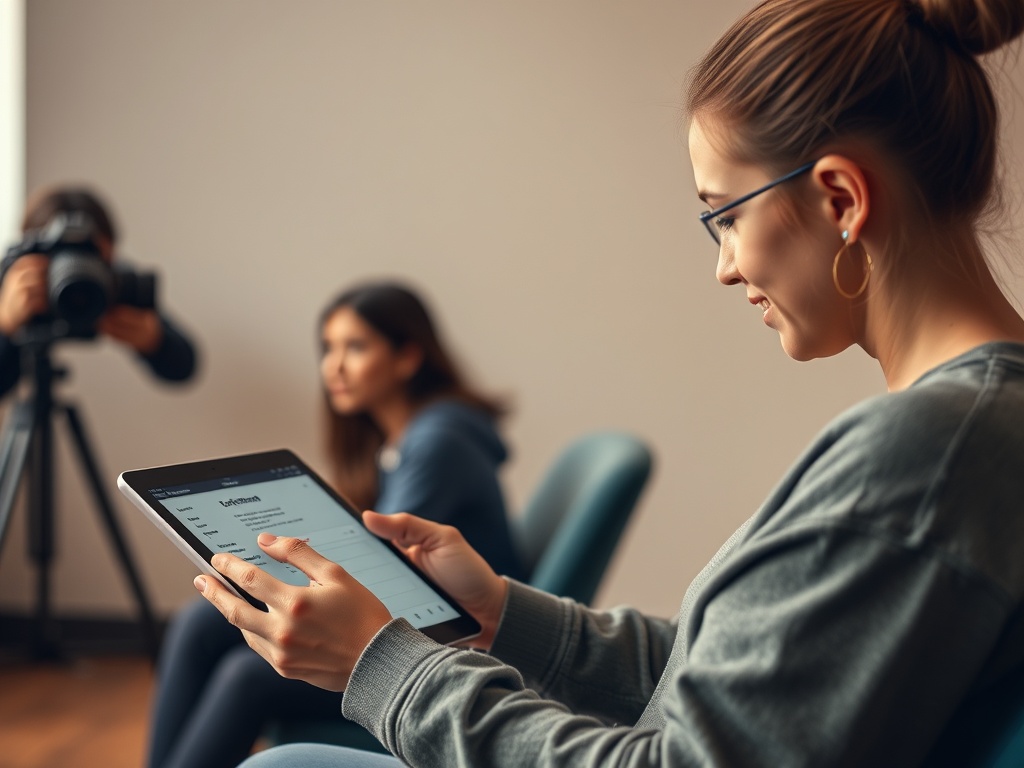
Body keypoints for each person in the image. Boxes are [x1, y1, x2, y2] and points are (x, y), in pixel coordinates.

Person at [195, 0, 1024, 765]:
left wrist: (386, 668)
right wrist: (505, 617)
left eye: (725, 216)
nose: (726, 269)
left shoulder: (929, 453)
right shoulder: (965, 434)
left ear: (840, 197)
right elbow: (738, 688)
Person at [147, 281, 526, 768]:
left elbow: (372, 568)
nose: (334, 366)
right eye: (328, 349)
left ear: (408, 357)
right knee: (199, 620)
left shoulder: (438, 442)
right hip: (417, 621)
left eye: (356, 347)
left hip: (450, 642)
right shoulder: (404, 439)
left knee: (243, 674)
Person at [0, 185, 197, 394]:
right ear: (30, 254)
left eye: (90, 255)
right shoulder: (17, 287)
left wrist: (154, 340)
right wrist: (6, 325)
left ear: (111, 254)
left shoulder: (114, 282)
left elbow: (184, 367)